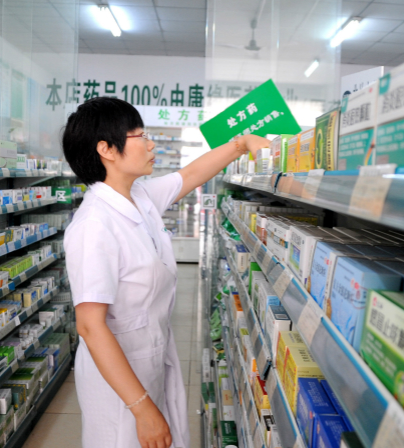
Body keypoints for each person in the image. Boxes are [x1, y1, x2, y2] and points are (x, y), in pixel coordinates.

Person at [61, 96, 269, 448]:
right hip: (118, 385)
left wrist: (241, 145)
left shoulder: (137, 196)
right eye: (140, 136)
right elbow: (90, 326)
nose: (151, 143)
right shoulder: (94, 224)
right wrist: (143, 410)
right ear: (106, 149)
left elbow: (189, 175)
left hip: (150, 358)